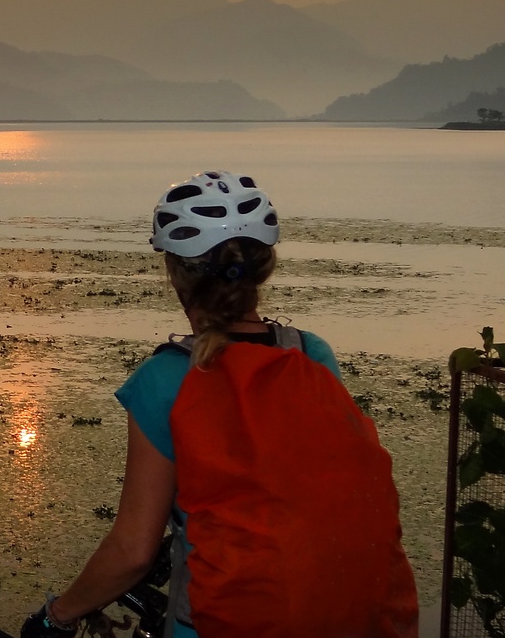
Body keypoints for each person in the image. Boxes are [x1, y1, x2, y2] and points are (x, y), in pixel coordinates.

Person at [22, 171, 418, 638]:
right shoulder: (311, 354)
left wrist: (57, 616)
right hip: (343, 617)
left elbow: (132, 552)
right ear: (263, 269)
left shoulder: (167, 380)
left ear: (174, 272)